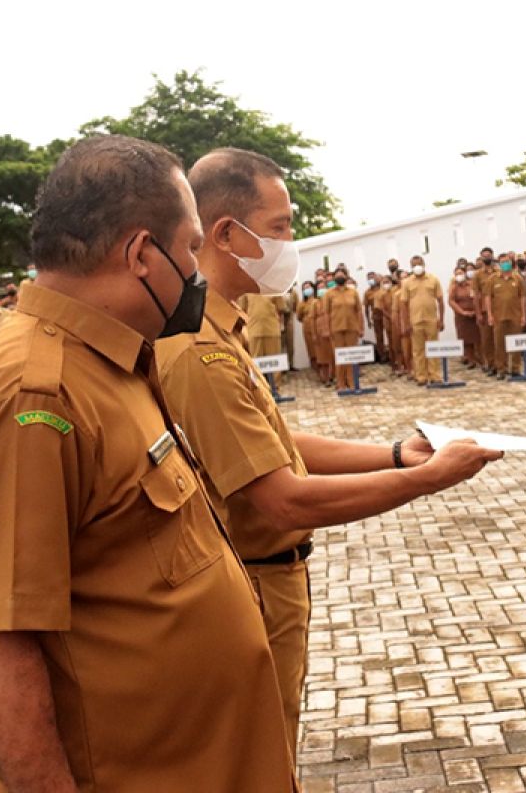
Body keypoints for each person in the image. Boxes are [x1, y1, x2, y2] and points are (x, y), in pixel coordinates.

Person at [0, 135, 298, 792]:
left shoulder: (114, 361)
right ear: (140, 254)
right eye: (189, 248)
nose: (196, 268)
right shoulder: (34, 393)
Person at [158, 146, 501, 755]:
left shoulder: (221, 329)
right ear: (226, 233)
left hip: (272, 582)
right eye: (279, 228)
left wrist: (396, 455)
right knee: (260, 758)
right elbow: (283, 501)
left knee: (273, 741)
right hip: (252, 587)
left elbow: (274, 444)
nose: (291, 244)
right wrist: (428, 481)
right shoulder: (199, 352)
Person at [401, 255, 444, 386]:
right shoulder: (406, 282)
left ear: (423, 264)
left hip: (431, 320)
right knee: (418, 350)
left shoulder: (433, 279)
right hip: (415, 321)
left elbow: (440, 300)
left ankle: (434, 375)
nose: (417, 267)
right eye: (414, 265)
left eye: (418, 264)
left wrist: (441, 319)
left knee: (433, 348)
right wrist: (406, 323)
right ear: (411, 267)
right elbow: (404, 304)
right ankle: (421, 376)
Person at [484, 254, 526, 380]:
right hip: (499, 316)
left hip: (515, 316)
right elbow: (488, 298)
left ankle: (515, 368)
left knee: (516, 344)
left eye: (507, 261)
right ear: (499, 264)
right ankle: (501, 369)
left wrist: (523, 315)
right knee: (499, 344)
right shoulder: (493, 279)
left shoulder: (517, 278)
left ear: (511, 263)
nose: (505, 264)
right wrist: (490, 314)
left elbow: (522, 297)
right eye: (502, 262)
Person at [324, 269, 364, 390]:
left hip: (352, 328)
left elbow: (358, 310)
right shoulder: (329, 293)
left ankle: (352, 382)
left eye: (342, 275)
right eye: (337, 275)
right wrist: (327, 328)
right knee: (340, 356)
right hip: (336, 329)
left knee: (351, 356)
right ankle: (340, 383)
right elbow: (326, 313)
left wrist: (361, 327)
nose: (340, 276)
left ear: (346, 277)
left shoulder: (353, 292)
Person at [448, 265, 479, 368]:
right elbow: (451, 301)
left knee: (477, 337)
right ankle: (470, 360)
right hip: (462, 317)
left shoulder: (471, 285)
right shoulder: (453, 288)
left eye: (460, 273)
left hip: (475, 315)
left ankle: (481, 359)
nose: (459, 276)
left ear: (465, 273)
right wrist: (462, 312)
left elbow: (477, 297)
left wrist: (476, 310)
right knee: (465, 339)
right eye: (456, 274)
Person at [473, 249, 497, 374]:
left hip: (499, 310)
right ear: (481, 258)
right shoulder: (477, 275)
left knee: (499, 339)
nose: (487, 258)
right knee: (487, 340)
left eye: (489, 255)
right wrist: (478, 314)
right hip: (484, 311)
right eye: (484, 256)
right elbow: (476, 295)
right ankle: (491, 364)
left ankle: (501, 364)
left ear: (492, 256)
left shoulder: (498, 272)